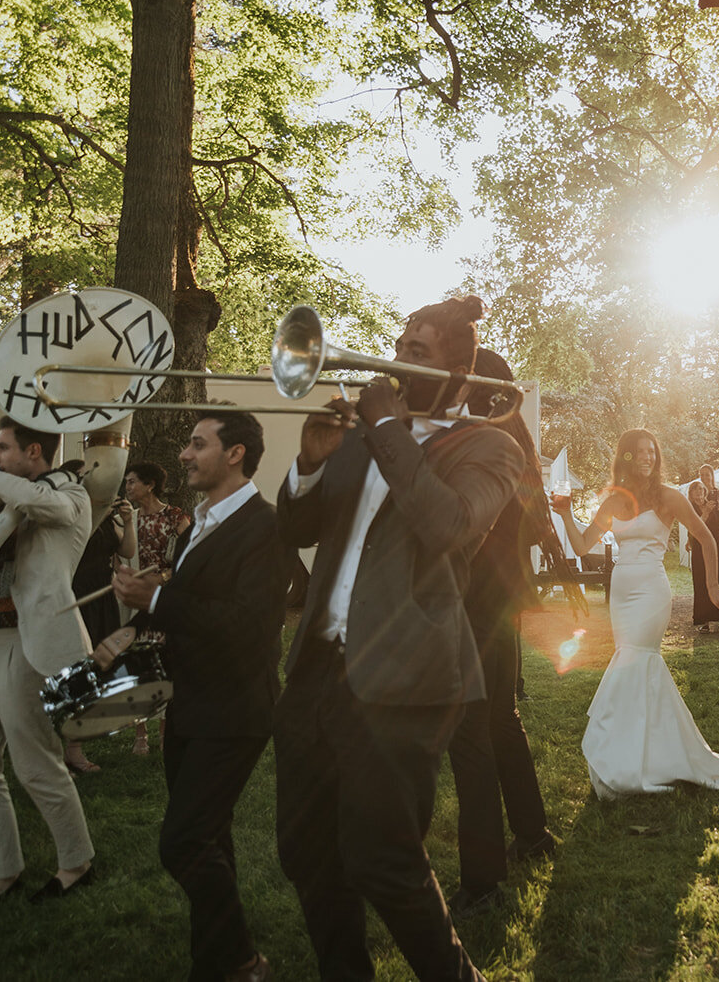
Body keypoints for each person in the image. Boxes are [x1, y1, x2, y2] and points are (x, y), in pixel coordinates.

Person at [273, 295, 523, 982]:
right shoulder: (359, 437)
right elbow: (294, 533)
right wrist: (312, 463)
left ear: (458, 376)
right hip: (317, 669)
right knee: (306, 854)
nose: (395, 355)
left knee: (385, 862)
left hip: (404, 677)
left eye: (418, 350)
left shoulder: (487, 446)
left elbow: (448, 526)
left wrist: (385, 427)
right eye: (401, 341)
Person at [109, 410, 288, 982]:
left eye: (196, 443)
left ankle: (242, 960)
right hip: (188, 702)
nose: (183, 455)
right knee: (210, 840)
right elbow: (190, 609)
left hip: (236, 710)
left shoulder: (265, 527)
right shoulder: (198, 522)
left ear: (235, 453)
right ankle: (212, 964)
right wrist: (131, 631)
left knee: (182, 842)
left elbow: (246, 625)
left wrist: (155, 604)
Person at [557, 428, 719, 800]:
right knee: (631, 663)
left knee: (636, 660)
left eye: (652, 452)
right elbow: (581, 545)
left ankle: (627, 758)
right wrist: (564, 515)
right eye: (639, 452)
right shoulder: (613, 500)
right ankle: (639, 754)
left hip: (651, 590)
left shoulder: (669, 497)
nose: (647, 457)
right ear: (625, 457)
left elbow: (706, 537)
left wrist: (710, 587)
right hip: (623, 591)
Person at [445, 348, 571, 919]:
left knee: (470, 731)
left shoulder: (482, 437)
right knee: (498, 719)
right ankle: (533, 835)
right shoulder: (507, 436)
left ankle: (482, 883)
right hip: (498, 598)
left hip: (476, 598)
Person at [0, 417, 95, 901]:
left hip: (25, 644)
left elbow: (38, 503)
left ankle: (77, 862)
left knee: (37, 765)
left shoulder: (69, 495)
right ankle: (2, 872)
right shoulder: (8, 501)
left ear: (34, 452)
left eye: (1, 449)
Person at [62, 481, 136, 774]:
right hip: (75, 598)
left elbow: (127, 550)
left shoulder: (106, 518)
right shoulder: (73, 517)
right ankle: (68, 748)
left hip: (102, 599)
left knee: (95, 671)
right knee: (73, 671)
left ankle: (73, 745)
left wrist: (127, 522)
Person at [123, 460, 189, 755]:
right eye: (126, 482)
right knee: (136, 662)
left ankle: (163, 732)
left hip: (163, 600)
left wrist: (161, 578)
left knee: (162, 663)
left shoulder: (176, 518)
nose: (127, 487)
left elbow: (187, 562)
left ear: (150, 485)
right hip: (135, 601)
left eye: (133, 481)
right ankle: (140, 735)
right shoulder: (130, 519)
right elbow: (121, 557)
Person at [687, 465, 719, 633]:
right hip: (701, 547)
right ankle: (704, 621)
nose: (705, 478)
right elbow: (692, 528)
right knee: (702, 580)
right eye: (702, 475)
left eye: (707, 475)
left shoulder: (717, 499)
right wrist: (705, 513)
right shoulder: (690, 506)